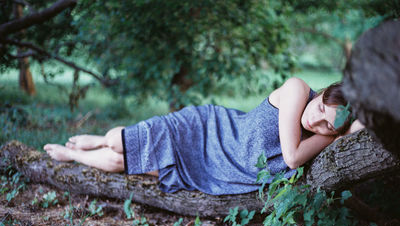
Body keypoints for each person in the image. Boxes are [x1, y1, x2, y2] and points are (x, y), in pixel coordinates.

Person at [44, 77, 364, 195]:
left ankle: (73, 155)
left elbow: (362, 127)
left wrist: (340, 131)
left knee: (119, 163)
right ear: (322, 93)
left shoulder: (325, 133)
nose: (316, 120)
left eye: (328, 125)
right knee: (116, 143)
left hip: (220, 169)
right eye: (322, 108)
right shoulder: (298, 90)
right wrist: (332, 135)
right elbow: (292, 157)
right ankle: (99, 138)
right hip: (208, 129)